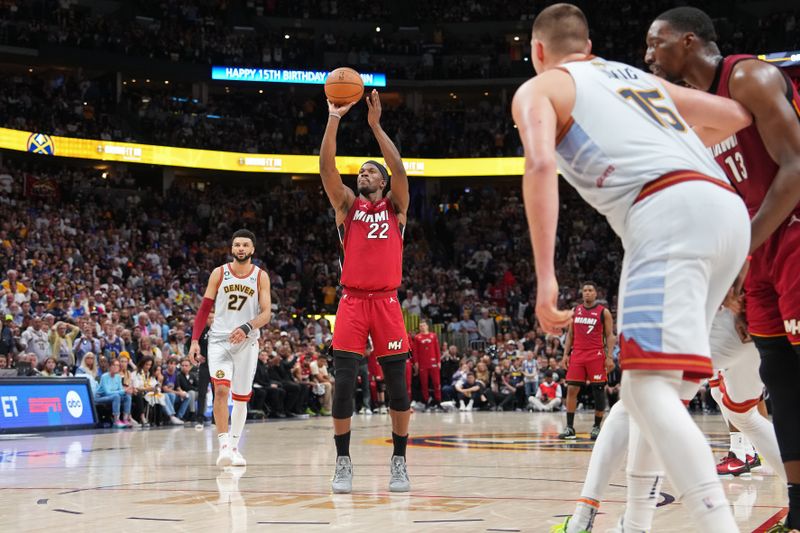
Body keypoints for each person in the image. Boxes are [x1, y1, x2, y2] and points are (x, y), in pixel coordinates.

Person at [512, 4, 752, 530]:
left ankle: (718, 524)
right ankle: (635, 522)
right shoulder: (630, 76)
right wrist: (685, 156)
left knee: (643, 388)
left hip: (669, 212)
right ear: (588, 44)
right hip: (727, 210)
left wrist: (546, 277)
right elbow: (734, 117)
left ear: (537, 52)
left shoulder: (540, 88)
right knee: (659, 393)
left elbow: (540, 164)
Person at [645, 7, 800, 530]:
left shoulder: (748, 76)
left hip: (795, 234)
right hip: (760, 257)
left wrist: (742, 249)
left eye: (656, 43)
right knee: (782, 386)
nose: (648, 55)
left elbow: (796, 167)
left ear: (688, 42)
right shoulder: (705, 115)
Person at [320, 88, 412, 494]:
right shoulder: (347, 207)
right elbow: (326, 169)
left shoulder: (397, 207)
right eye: (361, 172)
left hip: (388, 303)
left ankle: (399, 462)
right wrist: (334, 118)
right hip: (353, 303)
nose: (364, 174)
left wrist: (375, 126)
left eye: (371, 171)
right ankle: (342, 462)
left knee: (398, 388)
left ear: (383, 180)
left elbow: (400, 169)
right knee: (343, 385)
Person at [188, 229, 272, 468]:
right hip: (219, 341)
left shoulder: (259, 276)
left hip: (246, 341)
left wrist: (247, 326)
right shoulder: (219, 273)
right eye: (237, 245)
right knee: (222, 391)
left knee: (241, 397)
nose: (241, 249)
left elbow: (266, 314)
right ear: (232, 249)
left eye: (245, 245)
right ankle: (223, 445)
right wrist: (195, 340)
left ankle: (235, 447)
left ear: (252, 249)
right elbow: (204, 309)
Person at [559, 282, 615, 440]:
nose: (587, 293)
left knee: (598, 392)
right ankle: (570, 428)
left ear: (596, 294)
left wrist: (609, 357)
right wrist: (565, 355)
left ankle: (597, 427)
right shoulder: (575, 311)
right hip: (577, 354)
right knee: (571, 389)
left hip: (596, 355)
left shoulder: (603, 312)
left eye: (590, 290)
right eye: (585, 290)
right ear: (582, 293)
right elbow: (570, 335)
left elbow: (610, 336)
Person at [411, 320, 442, 411]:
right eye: (420, 326)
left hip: (433, 363)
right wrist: (416, 363)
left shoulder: (433, 336)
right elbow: (415, 351)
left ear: (427, 326)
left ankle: (438, 401)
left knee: (437, 383)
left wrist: (439, 361)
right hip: (422, 364)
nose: (422, 327)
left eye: (424, 325)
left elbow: (437, 349)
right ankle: (426, 402)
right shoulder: (417, 337)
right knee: (424, 384)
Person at [95, 359, 133, 429]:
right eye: (114, 365)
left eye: (118, 365)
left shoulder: (118, 377)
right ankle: (116, 420)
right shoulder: (104, 376)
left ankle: (125, 419)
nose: (116, 367)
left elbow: (121, 390)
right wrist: (123, 391)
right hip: (100, 397)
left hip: (112, 396)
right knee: (116, 396)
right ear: (109, 367)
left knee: (127, 396)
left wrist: (127, 391)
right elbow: (107, 392)